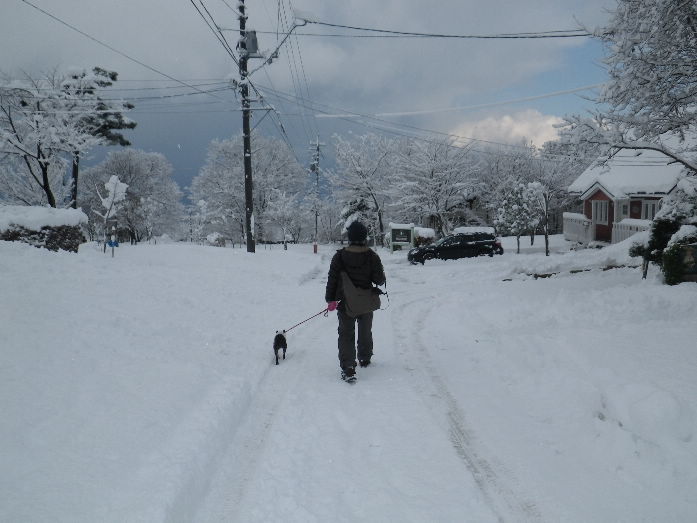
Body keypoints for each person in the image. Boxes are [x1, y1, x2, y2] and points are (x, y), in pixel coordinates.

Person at [325, 221, 386, 380]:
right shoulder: (372, 256)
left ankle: (348, 367)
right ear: (364, 237)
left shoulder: (339, 256)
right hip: (366, 302)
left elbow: (332, 280)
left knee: (346, 333)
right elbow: (379, 280)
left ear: (349, 237)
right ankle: (365, 358)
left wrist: (330, 299)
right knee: (365, 330)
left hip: (345, 303)